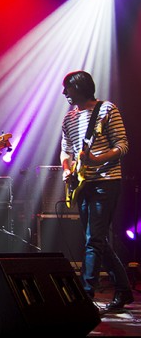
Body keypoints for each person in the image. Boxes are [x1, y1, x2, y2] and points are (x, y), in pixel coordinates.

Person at [60, 70, 133, 311]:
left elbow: (122, 145)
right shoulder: (69, 119)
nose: (64, 94)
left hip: (106, 181)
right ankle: (123, 291)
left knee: (94, 239)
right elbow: (66, 150)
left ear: (80, 88)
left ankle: (85, 295)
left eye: (67, 89)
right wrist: (66, 169)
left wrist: (96, 160)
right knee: (97, 239)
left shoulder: (107, 110)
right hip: (82, 184)